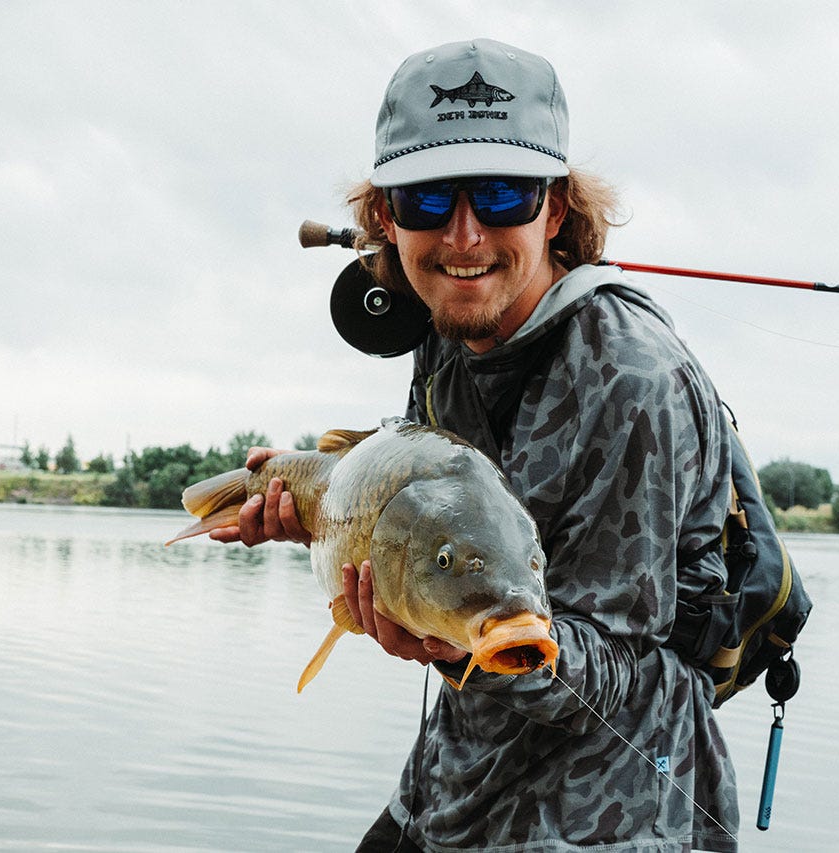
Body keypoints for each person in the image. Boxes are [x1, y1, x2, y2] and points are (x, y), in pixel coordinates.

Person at [214, 39, 741, 851]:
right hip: (456, 782)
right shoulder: (448, 332)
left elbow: (627, 669)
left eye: (501, 195)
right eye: (428, 200)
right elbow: (422, 508)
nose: (464, 237)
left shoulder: (635, 381)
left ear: (555, 208)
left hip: (613, 813)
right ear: (385, 215)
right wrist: (328, 518)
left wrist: (465, 637)